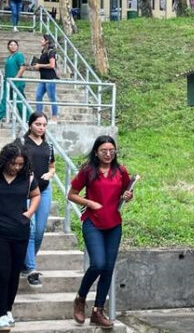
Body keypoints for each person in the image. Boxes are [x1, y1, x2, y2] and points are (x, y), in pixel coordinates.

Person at [68, 136, 133, 328]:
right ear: (96, 152)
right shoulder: (88, 170)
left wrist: (128, 196)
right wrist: (89, 203)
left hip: (114, 224)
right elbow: (71, 194)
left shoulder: (120, 171)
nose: (108, 154)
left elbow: (126, 193)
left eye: (111, 150)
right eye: (104, 150)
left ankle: (98, 311)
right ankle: (80, 298)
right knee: (98, 264)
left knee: (108, 267)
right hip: (93, 222)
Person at [0, 143, 40, 331]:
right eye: (13, 163)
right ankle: (0, 314)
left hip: (19, 230)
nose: (16, 168)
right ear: (4, 160)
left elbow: (36, 195)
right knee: (1, 272)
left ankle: (7, 309)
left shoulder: (27, 177)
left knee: (14, 273)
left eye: (20, 164)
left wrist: (28, 214)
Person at [20, 112, 56, 288]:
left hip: (44, 189)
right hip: (26, 191)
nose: (41, 128)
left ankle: (25, 261)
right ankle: (31, 269)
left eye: (44, 125)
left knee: (40, 230)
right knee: (31, 229)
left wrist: (49, 174)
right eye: (37, 124)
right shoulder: (21, 143)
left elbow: (52, 166)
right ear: (30, 125)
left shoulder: (48, 146)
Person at [0, 40, 26, 123]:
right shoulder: (9, 57)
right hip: (8, 82)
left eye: (15, 45)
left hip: (16, 82)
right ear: (8, 47)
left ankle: (29, 118)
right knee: (6, 100)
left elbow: (22, 67)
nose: (13, 46)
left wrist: (15, 78)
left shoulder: (19, 55)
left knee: (19, 102)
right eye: (11, 45)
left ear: (17, 46)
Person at [29, 34, 59, 123]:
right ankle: (38, 116)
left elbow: (52, 65)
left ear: (47, 41)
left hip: (50, 78)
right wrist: (37, 66)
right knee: (38, 96)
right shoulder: (43, 51)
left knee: (52, 97)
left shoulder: (51, 52)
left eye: (42, 39)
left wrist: (40, 65)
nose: (40, 41)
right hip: (42, 78)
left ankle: (54, 117)